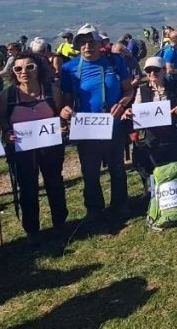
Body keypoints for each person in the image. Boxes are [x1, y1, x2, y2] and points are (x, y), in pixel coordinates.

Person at [59, 24, 134, 221]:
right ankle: (94, 209)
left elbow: (129, 90)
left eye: (91, 42)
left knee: (117, 167)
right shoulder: (69, 68)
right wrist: (65, 110)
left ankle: (120, 204)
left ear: (100, 44)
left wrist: (122, 104)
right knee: (90, 172)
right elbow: (67, 98)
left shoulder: (114, 61)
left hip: (114, 125)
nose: (87, 47)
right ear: (77, 46)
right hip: (86, 128)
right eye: (82, 43)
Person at [0, 51, 68, 246]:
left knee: (55, 183)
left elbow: (59, 111)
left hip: (50, 147)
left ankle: (60, 223)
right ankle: (32, 230)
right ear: (13, 72)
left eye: (30, 67)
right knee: (27, 189)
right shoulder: (7, 95)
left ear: (39, 69)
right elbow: (1, 117)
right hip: (22, 150)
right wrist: (6, 131)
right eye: (18, 68)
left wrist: (62, 120)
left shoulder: (52, 91)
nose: (24, 72)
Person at [124, 56, 177, 192]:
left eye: (156, 70)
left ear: (164, 70)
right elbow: (137, 109)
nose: (152, 73)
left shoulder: (175, 87)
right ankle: (155, 195)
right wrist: (130, 112)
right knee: (154, 170)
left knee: (176, 167)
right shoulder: (142, 90)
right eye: (148, 70)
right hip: (152, 138)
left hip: (173, 136)